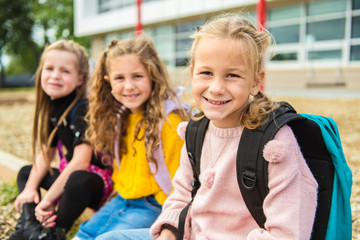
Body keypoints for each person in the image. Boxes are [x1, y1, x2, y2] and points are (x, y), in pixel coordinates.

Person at [95, 14, 318, 240]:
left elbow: (287, 234)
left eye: (232, 75)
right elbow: (181, 197)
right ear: (192, 73)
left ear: (255, 82)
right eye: (206, 73)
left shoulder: (275, 143)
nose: (216, 87)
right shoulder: (195, 132)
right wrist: (168, 232)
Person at [72, 35, 188, 240]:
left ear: (153, 76)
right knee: (84, 233)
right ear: (108, 81)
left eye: (137, 76)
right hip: (123, 199)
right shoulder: (121, 116)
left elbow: (182, 183)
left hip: (155, 203)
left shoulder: (171, 122)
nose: (128, 86)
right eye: (119, 78)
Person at [10, 40, 113, 240]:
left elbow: (81, 162)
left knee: (78, 179)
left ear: (80, 79)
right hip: (71, 176)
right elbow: (46, 154)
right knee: (27, 172)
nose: (55, 75)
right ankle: (29, 226)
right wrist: (31, 189)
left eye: (65, 71)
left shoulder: (84, 108)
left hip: (95, 183)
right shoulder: (54, 108)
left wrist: (48, 199)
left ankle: (53, 232)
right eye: (49, 68)